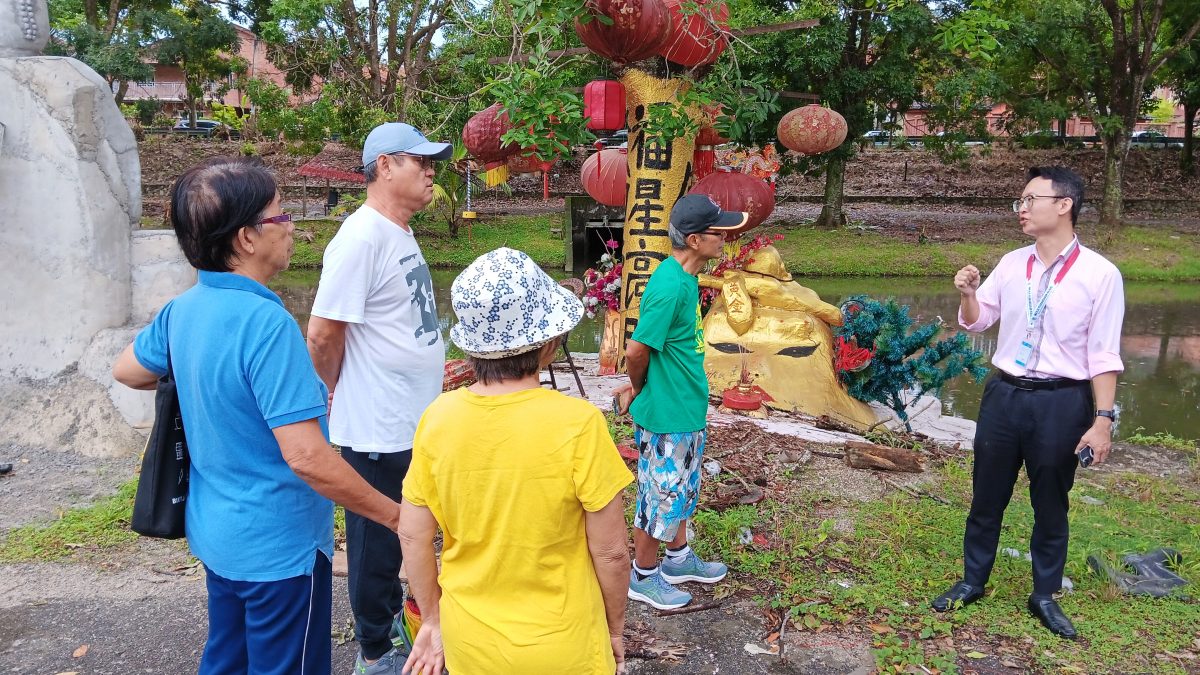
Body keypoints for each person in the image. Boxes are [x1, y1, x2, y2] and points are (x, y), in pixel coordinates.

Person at [111, 157, 403, 675]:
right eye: (281, 215)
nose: (292, 227)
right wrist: (396, 516)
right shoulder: (266, 324)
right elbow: (307, 456)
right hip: (279, 547)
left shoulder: (185, 310)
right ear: (247, 238)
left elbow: (128, 370)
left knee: (228, 657)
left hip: (218, 533)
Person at [398, 247, 633, 675]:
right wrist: (615, 629)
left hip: (471, 642)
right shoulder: (578, 424)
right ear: (547, 343)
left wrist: (432, 620)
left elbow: (414, 537)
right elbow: (613, 552)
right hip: (565, 644)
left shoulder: (438, 419)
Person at [932, 166, 1125, 640]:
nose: (1021, 208)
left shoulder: (1101, 275)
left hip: (1062, 401)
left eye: (1029, 199)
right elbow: (978, 324)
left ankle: (1044, 594)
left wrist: (1102, 421)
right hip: (1005, 395)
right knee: (987, 494)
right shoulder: (1013, 262)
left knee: (1051, 501)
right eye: (1019, 200)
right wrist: (969, 294)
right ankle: (973, 580)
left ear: (1064, 205)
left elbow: (1103, 355)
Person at [305, 122, 451, 675]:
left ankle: (393, 618)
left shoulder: (399, 231)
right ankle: (374, 650)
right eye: (421, 161)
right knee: (375, 542)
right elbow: (322, 333)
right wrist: (336, 387)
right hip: (375, 425)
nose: (431, 170)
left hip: (409, 420)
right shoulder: (360, 237)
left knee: (406, 528)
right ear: (385, 165)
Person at [616, 194, 744, 610]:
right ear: (693, 240)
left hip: (686, 408)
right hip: (667, 414)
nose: (724, 237)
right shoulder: (669, 286)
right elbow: (637, 351)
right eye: (716, 232)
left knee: (684, 489)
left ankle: (678, 558)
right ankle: (644, 576)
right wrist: (637, 389)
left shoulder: (686, 280)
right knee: (660, 496)